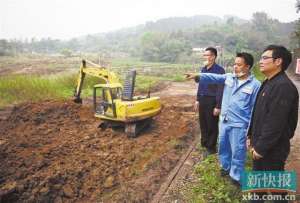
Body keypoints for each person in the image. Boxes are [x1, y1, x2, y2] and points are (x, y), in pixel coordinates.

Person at [186, 52, 261, 186]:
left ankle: (236, 175)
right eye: (234, 64)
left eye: (239, 64)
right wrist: (199, 75)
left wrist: (251, 131)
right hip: (225, 121)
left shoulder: (255, 85)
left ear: (247, 66)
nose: (235, 67)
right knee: (223, 147)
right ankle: (226, 167)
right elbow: (213, 77)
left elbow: (255, 109)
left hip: (239, 124)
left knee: (238, 151)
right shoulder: (229, 78)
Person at [248, 45, 298, 202]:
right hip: (261, 144)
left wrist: (261, 147)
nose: (260, 61)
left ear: (278, 61)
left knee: (277, 191)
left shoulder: (283, 86)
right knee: (257, 188)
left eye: (264, 58)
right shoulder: (269, 82)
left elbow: (275, 122)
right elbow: (258, 113)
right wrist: (251, 135)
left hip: (273, 148)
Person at [194, 47, 225, 156]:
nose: (205, 57)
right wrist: (197, 99)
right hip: (203, 99)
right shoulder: (203, 69)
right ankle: (205, 143)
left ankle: (211, 148)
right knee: (203, 123)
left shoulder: (219, 70)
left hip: (212, 100)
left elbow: (221, 89)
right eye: (204, 55)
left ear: (213, 57)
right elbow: (200, 85)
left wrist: (218, 105)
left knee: (211, 124)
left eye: (207, 55)